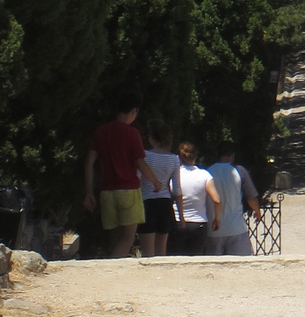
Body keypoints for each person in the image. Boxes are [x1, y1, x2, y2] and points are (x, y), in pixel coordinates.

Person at [83, 90, 162, 258]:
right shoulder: (131, 133)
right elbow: (140, 162)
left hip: (107, 191)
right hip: (128, 190)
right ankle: (111, 269)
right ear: (134, 111)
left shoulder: (101, 131)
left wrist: (89, 192)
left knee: (115, 239)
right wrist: (155, 181)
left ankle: (113, 265)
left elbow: (89, 162)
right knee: (127, 238)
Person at [137, 119, 185, 256]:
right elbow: (177, 190)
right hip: (165, 204)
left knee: (147, 251)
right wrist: (181, 215)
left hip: (147, 202)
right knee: (161, 251)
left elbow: (138, 179)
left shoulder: (144, 156)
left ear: (151, 138)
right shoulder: (174, 159)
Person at [205, 140, 261, 256]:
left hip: (214, 229)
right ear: (232, 155)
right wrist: (257, 211)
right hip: (236, 227)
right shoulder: (240, 171)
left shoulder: (208, 172)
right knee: (240, 263)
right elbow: (251, 197)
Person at [171, 142, 222, 255]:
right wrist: (217, 218)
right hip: (199, 223)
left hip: (177, 221)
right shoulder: (204, 175)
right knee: (196, 259)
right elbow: (217, 200)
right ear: (196, 156)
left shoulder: (175, 174)